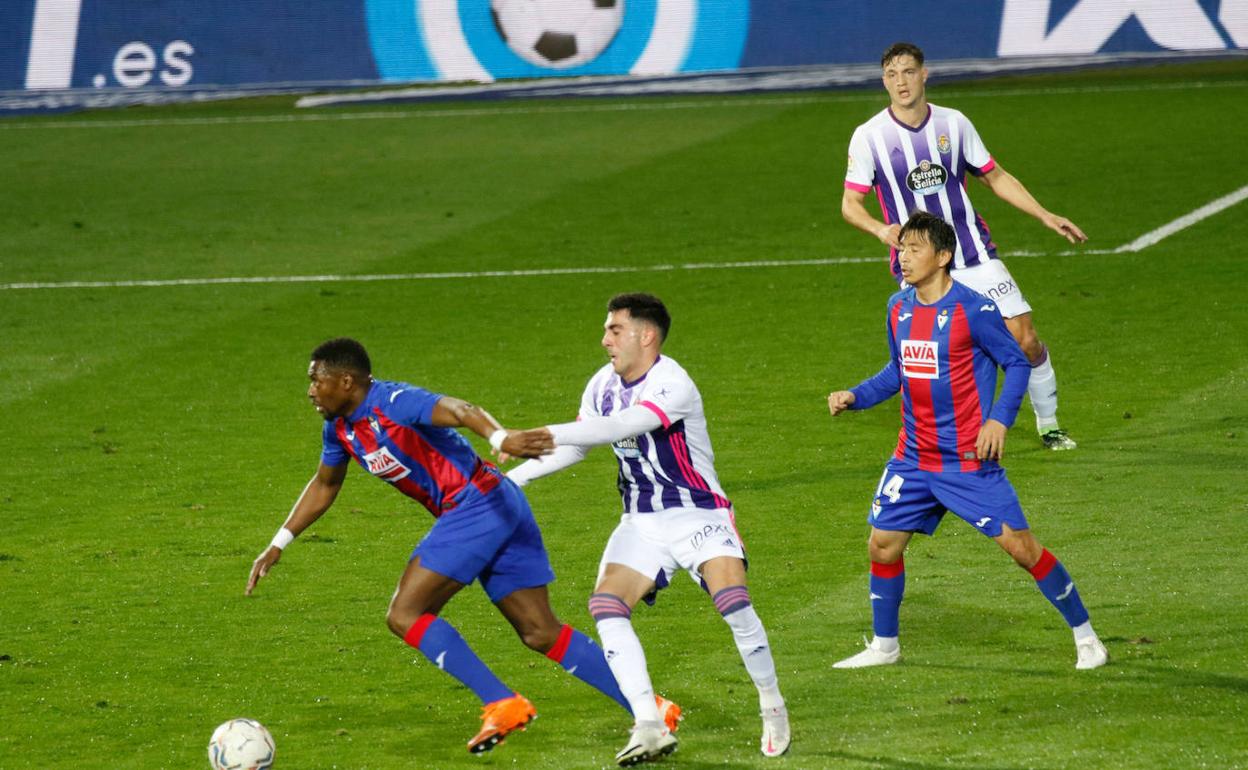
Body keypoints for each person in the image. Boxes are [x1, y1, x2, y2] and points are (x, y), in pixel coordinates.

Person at [244, 337, 680, 757]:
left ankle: (501, 702)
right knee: (539, 631)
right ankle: (653, 707)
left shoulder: (392, 402)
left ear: (345, 382)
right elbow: (325, 485)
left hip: (475, 504)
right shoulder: (338, 429)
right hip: (499, 503)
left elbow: (461, 409)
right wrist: (279, 542)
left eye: (316, 380)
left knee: (404, 613)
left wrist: (499, 438)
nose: (310, 391)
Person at [503, 293, 791, 764]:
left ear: (647, 335)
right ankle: (649, 724)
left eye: (615, 330)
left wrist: (537, 435)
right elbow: (579, 446)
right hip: (641, 520)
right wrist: (512, 480)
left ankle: (771, 704)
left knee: (733, 602)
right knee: (607, 607)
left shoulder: (672, 383)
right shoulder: (602, 384)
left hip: (699, 513)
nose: (605, 340)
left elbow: (618, 427)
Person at [827, 211, 1108, 671]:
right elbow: (898, 370)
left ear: (943, 256)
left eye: (914, 249)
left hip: (966, 461)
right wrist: (855, 396)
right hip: (913, 458)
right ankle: (885, 645)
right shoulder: (898, 307)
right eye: (901, 248)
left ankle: (1086, 636)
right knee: (882, 544)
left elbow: (1016, 363)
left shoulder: (973, 310)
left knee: (1021, 549)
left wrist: (999, 420)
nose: (903, 257)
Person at [841, 41, 1086, 451]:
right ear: (884, 81)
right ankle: (943, 438)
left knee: (1025, 340)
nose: (901, 82)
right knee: (933, 358)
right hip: (920, 265)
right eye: (892, 75)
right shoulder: (869, 137)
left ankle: (1050, 425)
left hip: (974, 253)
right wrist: (880, 230)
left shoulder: (954, 124)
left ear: (924, 74)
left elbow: (994, 175)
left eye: (908, 72)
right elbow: (850, 204)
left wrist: (1044, 214)